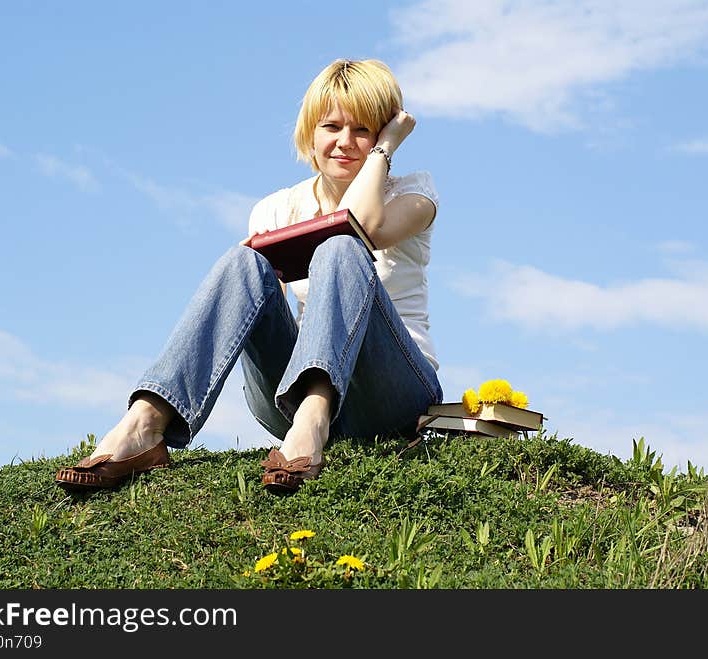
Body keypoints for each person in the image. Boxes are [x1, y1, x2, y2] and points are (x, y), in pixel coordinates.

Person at [55, 58, 443, 493]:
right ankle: (145, 422)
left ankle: (316, 417)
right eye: (331, 127)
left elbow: (363, 225)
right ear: (310, 132)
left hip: (391, 393)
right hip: (287, 399)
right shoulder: (275, 210)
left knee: (341, 243)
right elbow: (262, 312)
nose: (345, 142)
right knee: (245, 261)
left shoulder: (413, 194)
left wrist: (387, 148)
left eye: (363, 131)